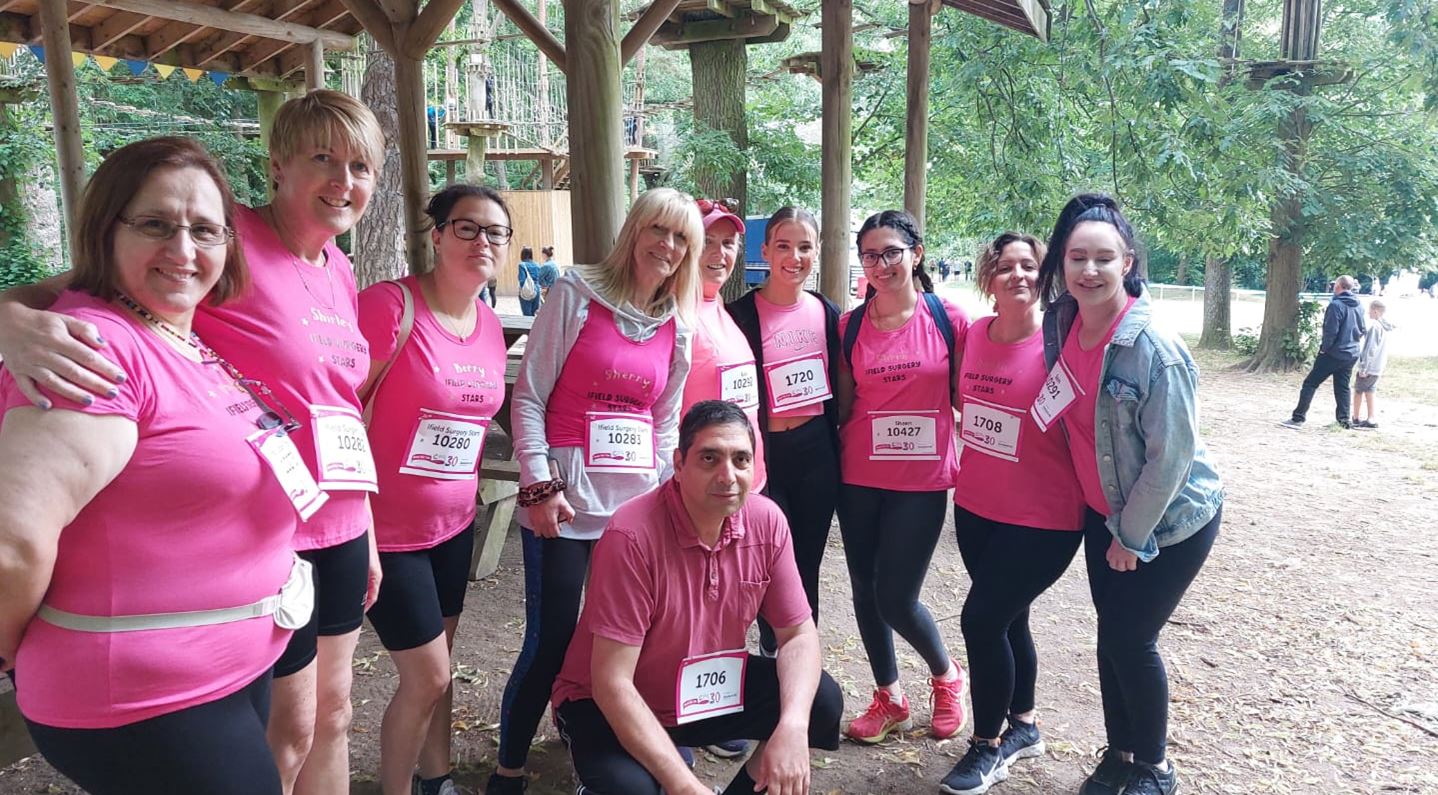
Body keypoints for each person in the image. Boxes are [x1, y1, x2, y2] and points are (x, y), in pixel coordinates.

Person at [0, 90, 387, 795]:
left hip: (321, 520)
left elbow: (338, 405)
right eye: (323, 158)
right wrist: (5, 319)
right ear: (278, 166)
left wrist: (363, 525)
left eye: (360, 165)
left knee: (326, 716)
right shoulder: (217, 236)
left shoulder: (337, 267)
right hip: (235, 546)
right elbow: (72, 292)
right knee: (285, 735)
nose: (343, 180)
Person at [487, 188, 700, 794]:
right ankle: (509, 767)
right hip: (564, 502)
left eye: (682, 237)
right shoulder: (577, 295)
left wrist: (667, 503)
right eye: (658, 229)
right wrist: (539, 484)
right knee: (552, 637)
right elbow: (527, 397)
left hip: (632, 510)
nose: (668, 245)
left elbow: (663, 425)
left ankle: (612, 745)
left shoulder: (676, 325)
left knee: (632, 641)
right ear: (634, 229)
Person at [550, 400, 844, 795]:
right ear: (678, 463)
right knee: (632, 790)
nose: (728, 476)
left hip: (699, 692)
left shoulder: (767, 521)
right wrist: (684, 785)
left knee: (820, 703)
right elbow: (611, 684)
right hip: (602, 701)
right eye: (710, 458)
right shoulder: (631, 535)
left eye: (742, 460)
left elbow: (799, 636)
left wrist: (791, 727)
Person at [1035, 194, 1223, 795]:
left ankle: (1155, 768)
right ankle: (1121, 754)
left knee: (1129, 639)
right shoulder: (1062, 322)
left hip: (1167, 520)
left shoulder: (1153, 349)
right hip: (1102, 510)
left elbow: (1171, 461)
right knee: (1109, 636)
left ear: (1128, 262)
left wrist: (1130, 538)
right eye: (1077, 258)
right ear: (1062, 264)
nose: (1089, 270)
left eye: (1103, 259)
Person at [357, 185, 511, 795]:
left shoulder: (492, 326)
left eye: (495, 232)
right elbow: (340, 409)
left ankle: (436, 778)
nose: (482, 241)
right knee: (427, 675)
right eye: (467, 228)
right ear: (438, 234)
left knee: (439, 671)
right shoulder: (389, 308)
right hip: (384, 529)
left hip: (452, 524)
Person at [938, 232, 1086, 795]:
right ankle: (1023, 725)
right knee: (1008, 617)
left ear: (1044, 276)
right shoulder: (975, 334)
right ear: (988, 278)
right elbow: (966, 406)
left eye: (1030, 266)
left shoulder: (1062, 342)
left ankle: (987, 745)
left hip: (1045, 517)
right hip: (977, 506)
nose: (1018, 275)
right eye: (1005, 267)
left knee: (980, 620)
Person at [835, 209, 970, 744]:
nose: (881, 264)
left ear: (915, 252)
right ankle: (889, 697)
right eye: (870, 255)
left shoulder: (948, 319)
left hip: (922, 481)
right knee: (865, 590)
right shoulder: (849, 326)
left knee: (896, 595)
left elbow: (969, 396)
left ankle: (946, 675)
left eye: (891, 251)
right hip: (860, 476)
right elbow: (844, 407)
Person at [726, 206, 841, 661]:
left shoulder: (828, 313)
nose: (795, 256)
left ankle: (799, 663)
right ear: (765, 251)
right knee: (760, 563)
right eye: (784, 246)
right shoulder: (739, 315)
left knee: (805, 564)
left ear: (817, 252)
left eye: (805, 247)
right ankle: (760, 659)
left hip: (815, 453)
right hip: (761, 455)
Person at [1281, 275, 1366, 430]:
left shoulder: (1336, 305)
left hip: (1333, 353)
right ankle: (1343, 420)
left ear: (1339, 286)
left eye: (1335, 285)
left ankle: (1298, 418)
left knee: (1310, 383)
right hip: (1351, 353)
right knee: (1343, 387)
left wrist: (1324, 349)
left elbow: (1330, 331)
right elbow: (1362, 329)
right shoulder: (1359, 305)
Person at [1351, 299, 1393, 429]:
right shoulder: (1385, 327)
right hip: (1378, 366)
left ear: (1376, 311)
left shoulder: (1375, 327)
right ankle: (1371, 418)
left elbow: (1370, 349)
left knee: (1358, 390)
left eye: (1370, 310)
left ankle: (1356, 418)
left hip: (1370, 367)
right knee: (1370, 391)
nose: (1368, 312)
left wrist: (1364, 367)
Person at [518, 246, 544, 316]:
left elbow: (522, 280)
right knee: (534, 314)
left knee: (527, 315)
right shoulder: (537, 265)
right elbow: (540, 278)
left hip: (527, 290)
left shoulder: (522, 265)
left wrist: (522, 290)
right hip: (537, 290)